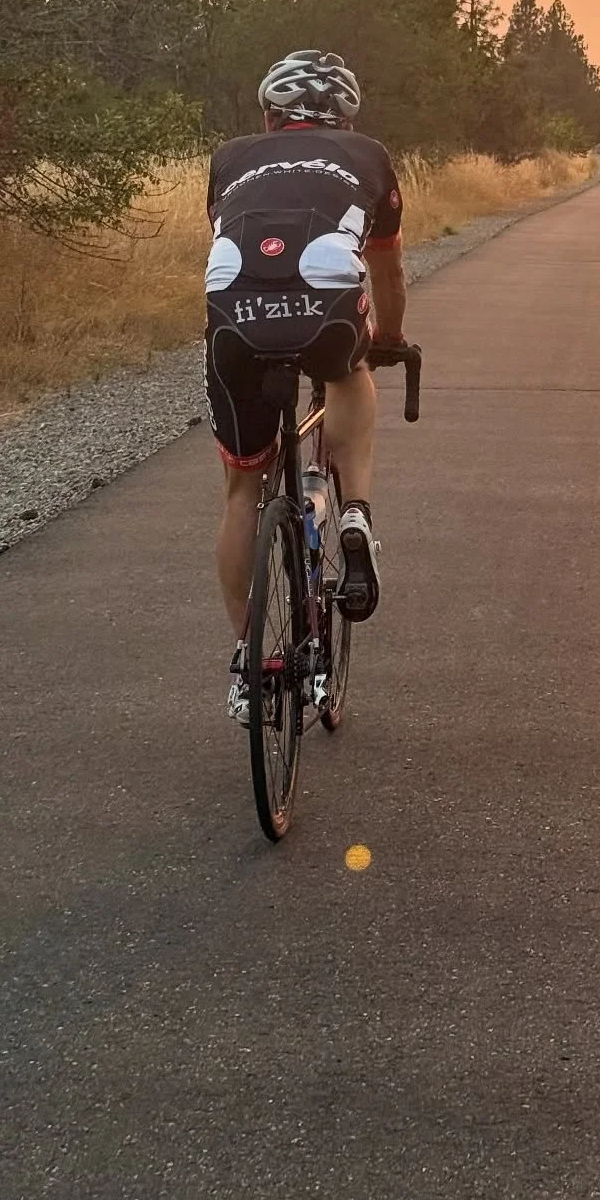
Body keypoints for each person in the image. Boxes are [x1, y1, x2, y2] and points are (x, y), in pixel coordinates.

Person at [204, 50, 408, 721]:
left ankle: (252, 665)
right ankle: (354, 514)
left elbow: (229, 241)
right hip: (326, 307)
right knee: (349, 373)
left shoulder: (232, 157)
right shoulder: (369, 157)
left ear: (269, 113)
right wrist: (387, 340)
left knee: (242, 489)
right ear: (347, 119)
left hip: (236, 317)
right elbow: (387, 273)